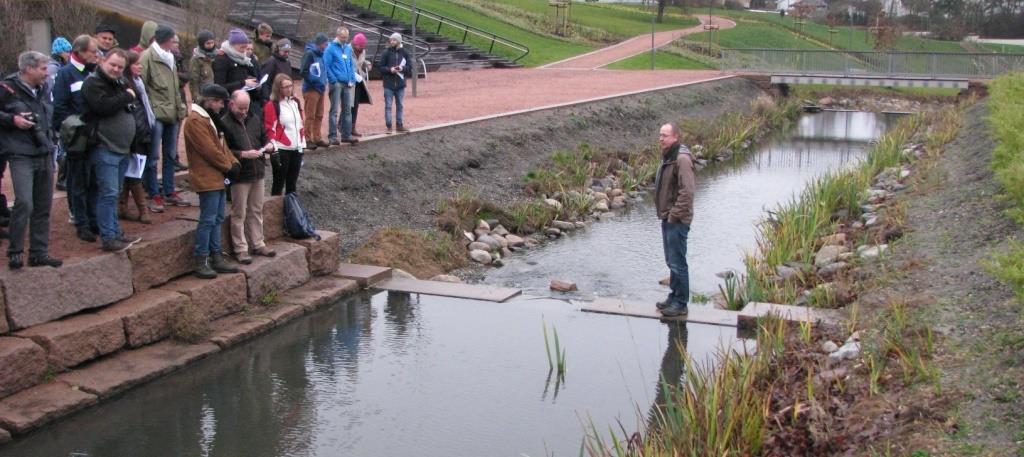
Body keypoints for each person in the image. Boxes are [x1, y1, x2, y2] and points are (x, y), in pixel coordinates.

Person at [0, 51, 63, 269]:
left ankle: (38, 252)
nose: (47, 73)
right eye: (43, 69)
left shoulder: (44, 88)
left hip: (44, 149)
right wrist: (12, 120)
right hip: (20, 153)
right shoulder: (7, 88)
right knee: (24, 202)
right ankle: (15, 251)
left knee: (43, 206)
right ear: (28, 69)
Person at [82, 49, 143, 252]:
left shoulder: (118, 83)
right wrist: (126, 96)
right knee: (107, 193)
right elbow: (102, 106)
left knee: (114, 192)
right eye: (113, 65)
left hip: (122, 148)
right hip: (104, 146)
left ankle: (116, 232)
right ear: (102, 61)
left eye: (120, 67)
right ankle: (108, 236)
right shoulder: (93, 83)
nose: (116, 70)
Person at [183, 83, 240, 279]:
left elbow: (220, 146)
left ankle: (217, 256)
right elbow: (209, 151)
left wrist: (233, 161)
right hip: (206, 177)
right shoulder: (195, 121)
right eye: (220, 103)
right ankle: (202, 259)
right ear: (210, 101)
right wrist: (228, 165)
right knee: (207, 220)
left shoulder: (208, 119)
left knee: (216, 219)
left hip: (216, 176)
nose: (222, 107)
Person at [53, 35, 100, 242]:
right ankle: (81, 223)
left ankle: (93, 218)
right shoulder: (65, 75)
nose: (96, 55)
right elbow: (60, 109)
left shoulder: (94, 72)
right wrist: (73, 131)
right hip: (77, 138)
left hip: (96, 136)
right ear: (79, 52)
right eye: (92, 51)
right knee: (79, 182)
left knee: (94, 182)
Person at [221, 90, 277, 264]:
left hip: (258, 171)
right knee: (239, 212)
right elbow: (223, 150)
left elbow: (264, 137)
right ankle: (240, 248)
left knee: (256, 209)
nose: (244, 112)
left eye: (246, 108)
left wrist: (268, 145)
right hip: (239, 175)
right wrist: (243, 154)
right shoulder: (224, 123)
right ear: (231, 104)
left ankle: (258, 243)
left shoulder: (254, 118)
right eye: (240, 108)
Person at [141, 24, 189, 212]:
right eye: (173, 40)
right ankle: (153, 193)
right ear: (166, 40)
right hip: (156, 114)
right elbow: (143, 87)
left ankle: (169, 191)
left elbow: (175, 88)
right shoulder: (147, 57)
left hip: (171, 114)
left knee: (170, 155)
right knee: (153, 157)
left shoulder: (171, 58)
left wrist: (180, 109)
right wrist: (149, 111)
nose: (176, 43)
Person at [654, 122, 695, 317]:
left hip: (677, 220)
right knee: (671, 260)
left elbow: (687, 192)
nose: (661, 138)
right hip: (669, 217)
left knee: (678, 262)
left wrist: (673, 215)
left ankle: (681, 303)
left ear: (676, 137)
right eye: (660, 135)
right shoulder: (669, 156)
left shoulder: (682, 159)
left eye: (665, 135)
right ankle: (674, 296)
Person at [120, 50, 154, 224]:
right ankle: (142, 209)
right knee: (134, 173)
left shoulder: (139, 83)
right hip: (134, 136)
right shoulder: (126, 85)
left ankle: (123, 207)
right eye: (137, 64)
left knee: (132, 172)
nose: (140, 66)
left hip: (142, 133)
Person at [264, 74, 305, 195]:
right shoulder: (272, 105)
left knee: (292, 184)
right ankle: (274, 210)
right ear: (278, 88)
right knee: (278, 183)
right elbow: (269, 129)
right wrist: (274, 148)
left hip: (297, 147)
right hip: (282, 149)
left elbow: (300, 124)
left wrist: (302, 144)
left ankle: (291, 210)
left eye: (290, 86)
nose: (289, 89)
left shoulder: (295, 102)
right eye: (285, 87)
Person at [214, 29, 264, 119]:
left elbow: (242, 76)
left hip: (243, 105)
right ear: (232, 45)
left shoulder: (244, 60)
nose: (244, 51)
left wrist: (254, 84)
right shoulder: (221, 60)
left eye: (246, 47)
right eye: (242, 47)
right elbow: (219, 87)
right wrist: (244, 83)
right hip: (227, 107)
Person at [323, 26, 357, 145]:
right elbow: (326, 65)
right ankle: (332, 136)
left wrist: (352, 78)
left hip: (347, 82)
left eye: (346, 37)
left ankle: (346, 134)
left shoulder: (347, 48)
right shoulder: (330, 48)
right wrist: (333, 79)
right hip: (336, 82)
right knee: (334, 110)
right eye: (343, 37)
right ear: (337, 36)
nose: (344, 39)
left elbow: (350, 64)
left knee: (347, 110)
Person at [300, 33, 329, 150]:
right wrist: (315, 81)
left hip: (320, 88)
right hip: (311, 88)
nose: (327, 46)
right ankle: (307, 139)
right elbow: (304, 71)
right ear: (321, 44)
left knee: (319, 114)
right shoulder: (310, 54)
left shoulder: (321, 55)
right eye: (325, 44)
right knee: (310, 115)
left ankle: (317, 137)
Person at [377, 32, 411, 134]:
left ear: (399, 41)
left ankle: (399, 125)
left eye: (394, 40)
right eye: (391, 40)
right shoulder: (386, 53)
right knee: (388, 105)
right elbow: (380, 67)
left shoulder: (405, 52)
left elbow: (410, 67)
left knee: (400, 105)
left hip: (400, 84)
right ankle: (389, 126)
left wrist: (402, 68)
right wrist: (389, 70)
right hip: (388, 83)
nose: (392, 41)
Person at [350, 32, 372, 138]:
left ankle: (352, 127)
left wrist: (366, 64)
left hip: (359, 80)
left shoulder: (363, 52)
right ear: (354, 44)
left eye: (363, 46)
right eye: (359, 46)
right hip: (349, 80)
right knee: (348, 104)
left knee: (355, 105)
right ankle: (343, 125)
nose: (361, 48)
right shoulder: (347, 50)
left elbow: (361, 63)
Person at [188, 30, 217, 103]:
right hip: (202, 96)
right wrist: (197, 98)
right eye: (208, 43)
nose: (211, 45)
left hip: (213, 95)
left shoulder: (215, 56)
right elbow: (193, 81)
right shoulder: (196, 59)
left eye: (212, 42)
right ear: (202, 44)